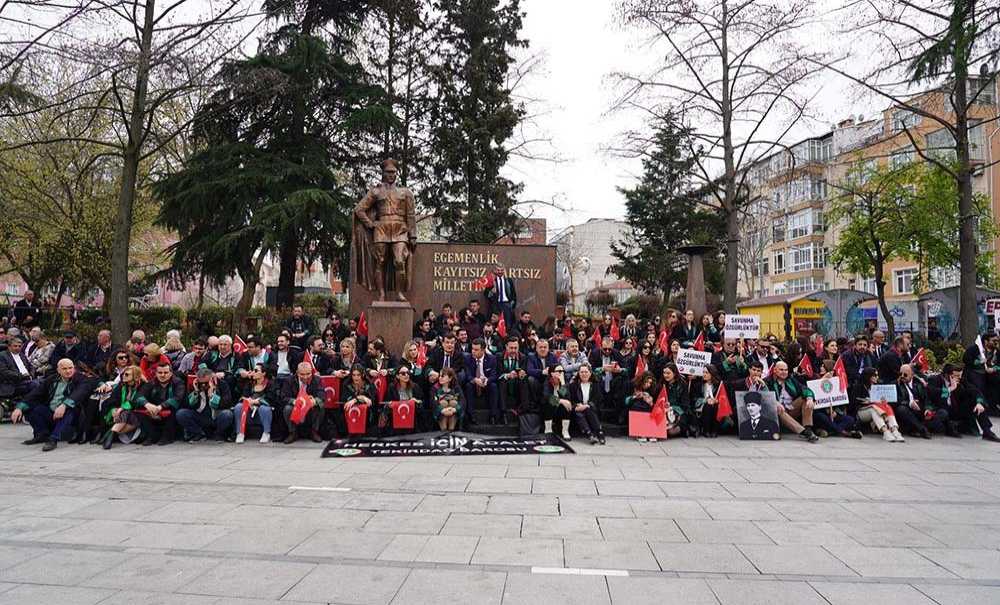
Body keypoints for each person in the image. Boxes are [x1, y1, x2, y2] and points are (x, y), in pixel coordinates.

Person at [11, 358, 92, 451]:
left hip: (72, 415)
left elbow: (79, 393)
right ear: (58, 370)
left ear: (74, 368)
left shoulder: (81, 379)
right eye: (64, 369)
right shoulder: (52, 379)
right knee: (29, 407)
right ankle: (42, 434)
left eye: (70, 368)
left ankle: (53, 439)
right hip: (52, 412)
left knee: (71, 409)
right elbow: (35, 393)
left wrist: (64, 405)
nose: (68, 371)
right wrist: (19, 408)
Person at [765, 361, 820, 442]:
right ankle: (804, 432)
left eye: (786, 370)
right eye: (781, 370)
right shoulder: (768, 381)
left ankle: (808, 428)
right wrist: (774, 402)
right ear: (775, 370)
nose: (784, 372)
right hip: (776, 414)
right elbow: (764, 396)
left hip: (790, 409)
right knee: (779, 408)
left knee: (805, 398)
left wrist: (809, 398)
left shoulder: (791, 380)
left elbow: (804, 389)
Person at [176, 367, 233, 442]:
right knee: (181, 413)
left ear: (212, 379)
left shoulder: (222, 384)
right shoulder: (194, 385)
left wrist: (213, 396)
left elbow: (227, 403)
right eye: (201, 383)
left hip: (216, 416)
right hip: (201, 416)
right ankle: (198, 434)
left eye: (206, 383)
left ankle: (219, 434)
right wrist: (196, 393)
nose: (203, 385)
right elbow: (187, 404)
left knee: (227, 414)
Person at [850, 367, 905, 442]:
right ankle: (885, 431)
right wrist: (866, 401)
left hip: (878, 409)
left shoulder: (878, 386)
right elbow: (853, 402)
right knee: (874, 409)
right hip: (861, 411)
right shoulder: (858, 386)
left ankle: (894, 429)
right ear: (869, 376)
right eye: (875, 375)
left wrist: (883, 400)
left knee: (887, 406)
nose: (877, 377)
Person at [137, 362, 184, 446]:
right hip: (154, 409)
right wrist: (147, 404)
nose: (162, 375)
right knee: (139, 412)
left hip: (170, 409)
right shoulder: (152, 382)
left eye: (165, 373)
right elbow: (139, 395)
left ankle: (167, 437)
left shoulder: (178, 382)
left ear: (171, 373)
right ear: (156, 373)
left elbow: (178, 398)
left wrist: (161, 407)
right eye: (160, 373)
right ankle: (152, 436)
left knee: (174, 409)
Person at [101, 365, 147, 449]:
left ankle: (110, 434)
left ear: (135, 376)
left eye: (127, 374)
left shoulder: (143, 386)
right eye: (123, 374)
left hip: (139, 415)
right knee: (124, 413)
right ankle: (111, 435)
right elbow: (110, 400)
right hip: (123, 419)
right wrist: (113, 409)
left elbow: (137, 401)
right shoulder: (122, 386)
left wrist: (122, 408)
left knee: (125, 412)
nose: (123, 376)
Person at [282, 361, 325, 443]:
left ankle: (314, 432)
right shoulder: (289, 380)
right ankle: (293, 432)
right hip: (296, 407)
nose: (305, 377)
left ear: (312, 372)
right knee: (287, 408)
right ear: (297, 373)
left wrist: (314, 401)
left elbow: (322, 396)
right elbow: (283, 397)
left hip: (311, 407)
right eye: (302, 374)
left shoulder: (317, 380)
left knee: (320, 405)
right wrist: (294, 401)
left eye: (308, 374)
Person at [233, 362, 276, 444]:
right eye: (253, 370)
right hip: (249, 409)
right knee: (239, 406)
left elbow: (271, 399)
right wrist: (247, 400)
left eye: (256, 370)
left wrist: (257, 401)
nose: (253, 372)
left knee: (264, 409)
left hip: (262, 412)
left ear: (264, 373)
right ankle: (240, 432)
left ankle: (266, 433)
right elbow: (243, 396)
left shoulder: (270, 384)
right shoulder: (249, 383)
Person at [566, 363, 606, 444]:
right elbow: (570, 399)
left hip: (592, 409)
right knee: (578, 413)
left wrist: (588, 405)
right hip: (578, 409)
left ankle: (599, 433)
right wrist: (575, 406)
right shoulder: (573, 385)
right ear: (578, 373)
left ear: (590, 373)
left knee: (588, 409)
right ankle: (589, 434)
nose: (584, 374)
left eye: (586, 372)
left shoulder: (595, 385)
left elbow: (598, 400)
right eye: (581, 372)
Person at [589, 336, 626, 422]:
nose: (608, 351)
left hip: (613, 381)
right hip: (600, 381)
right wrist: (601, 369)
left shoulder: (616, 353)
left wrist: (620, 370)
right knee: (596, 379)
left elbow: (626, 369)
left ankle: (618, 415)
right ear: (601, 347)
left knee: (622, 381)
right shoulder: (594, 353)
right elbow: (590, 369)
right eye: (605, 349)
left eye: (610, 349)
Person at [463, 338, 498, 428]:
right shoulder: (468, 358)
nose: (473, 352)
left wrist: (487, 380)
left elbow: (494, 375)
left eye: (476, 350)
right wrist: (475, 380)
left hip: (486, 383)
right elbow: (467, 375)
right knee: (468, 385)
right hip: (474, 384)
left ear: (483, 350)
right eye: (472, 349)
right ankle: (471, 414)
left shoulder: (492, 359)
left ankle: (493, 415)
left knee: (493, 386)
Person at [496, 336, 530, 425]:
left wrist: (522, 374)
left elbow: (525, 371)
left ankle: (523, 410)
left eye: (516, 348)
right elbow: (498, 374)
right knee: (502, 381)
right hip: (505, 382)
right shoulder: (499, 356)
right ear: (506, 347)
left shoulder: (523, 357)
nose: (514, 350)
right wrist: (507, 375)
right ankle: (503, 412)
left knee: (524, 381)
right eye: (511, 348)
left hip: (517, 383)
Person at [895, 364, 933, 438]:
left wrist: (927, 409)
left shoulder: (919, 383)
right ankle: (922, 429)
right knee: (901, 409)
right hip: (907, 410)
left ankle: (914, 428)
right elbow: (896, 400)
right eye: (900, 374)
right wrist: (910, 403)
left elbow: (926, 399)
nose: (902, 376)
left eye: (905, 374)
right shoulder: (896, 384)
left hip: (919, 409)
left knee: (942, 413)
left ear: (912, 375)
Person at [385, 364, 423, 435]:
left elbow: (422, 403)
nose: (406, 375)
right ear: (397, 376)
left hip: (412, 420)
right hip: (396, 420)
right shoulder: (392, 387)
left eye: (408, 373)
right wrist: (390, 405)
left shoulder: (415, 386)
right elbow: (387, 404)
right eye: (403, 373)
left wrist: (416, 401)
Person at [340, 364, 376, 436]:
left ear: (362, 375)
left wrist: (355, 400)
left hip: (367, 416)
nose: (356, 378)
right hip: (350, 414)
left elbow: (371, 401)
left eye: (358, 375)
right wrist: (361, 398)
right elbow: (345, 400)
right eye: (354, 375)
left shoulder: (369, 384)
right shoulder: (346, 384)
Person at [0, 336, 37, 401]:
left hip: (27, 379)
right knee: (35, 385)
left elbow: (31, 366)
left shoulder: (21, 355)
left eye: (19, 346)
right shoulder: (2, 355)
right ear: (9, 347)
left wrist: (31, 374)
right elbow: (4, 372)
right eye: (15, 346)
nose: (17, 348)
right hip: (12, 383)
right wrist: (22, 376)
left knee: (43, 383)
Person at [692, 364, 723, 438]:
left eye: (707, 373)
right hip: (701, 409)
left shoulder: (718, 385)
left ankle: (714, 430)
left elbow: (723, 398)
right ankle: (706, 430)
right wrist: (705, 400)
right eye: (703, 372)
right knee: (708, 405)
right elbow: (694, 399)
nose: (704, 374)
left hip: (715, 408)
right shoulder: (698, 385)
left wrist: (716, 401)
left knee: (714, 405)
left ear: (712, 374)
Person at [484, 264, 517, 328]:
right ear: (495, 270)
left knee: (507, 325)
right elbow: (486, 294)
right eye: (498, 270)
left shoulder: (508, 280)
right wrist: (491, 292)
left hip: (506, 305)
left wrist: (511, 306)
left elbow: (513, 294)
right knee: (496, 325)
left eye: (502, 270)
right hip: (495, 305)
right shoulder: (492, 280)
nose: (500, 272)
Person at [433, 367, 465, 431]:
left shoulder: (456, 388)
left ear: (450, 378)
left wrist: (454, 409)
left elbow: (462, 401)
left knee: (453, 402)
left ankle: (452, 428)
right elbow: (433, 402)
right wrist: (442, 410)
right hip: (440, 412)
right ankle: (443, 429)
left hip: (453, 412)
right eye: (439, 376)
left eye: (443, 376)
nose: (440, 378)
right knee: (443, 403)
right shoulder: (435, 388)